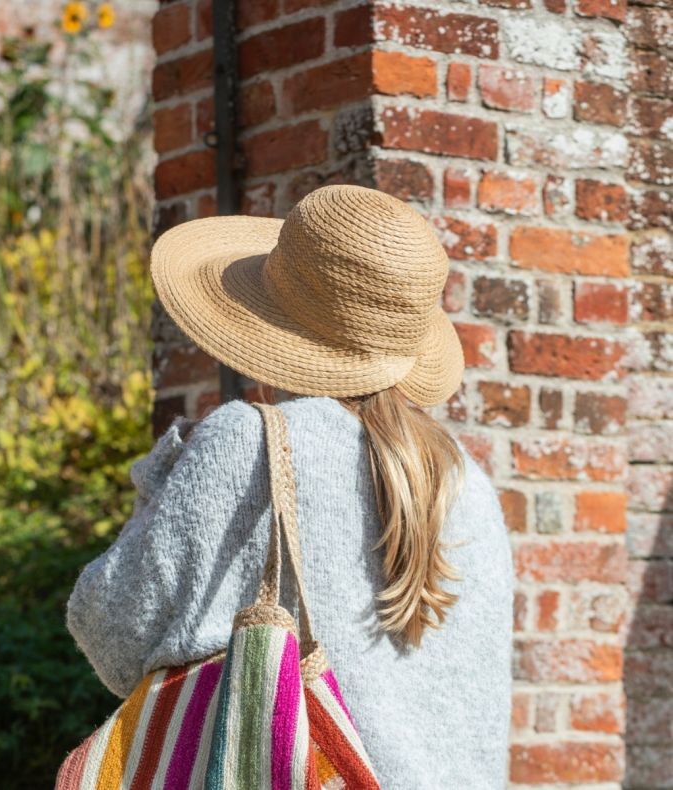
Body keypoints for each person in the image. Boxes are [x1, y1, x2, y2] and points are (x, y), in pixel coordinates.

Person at [65, 184, 514, 789]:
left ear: (270, 317)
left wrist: (165, 474)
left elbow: (111, 634)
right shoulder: (468, 484)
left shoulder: (245, 444)